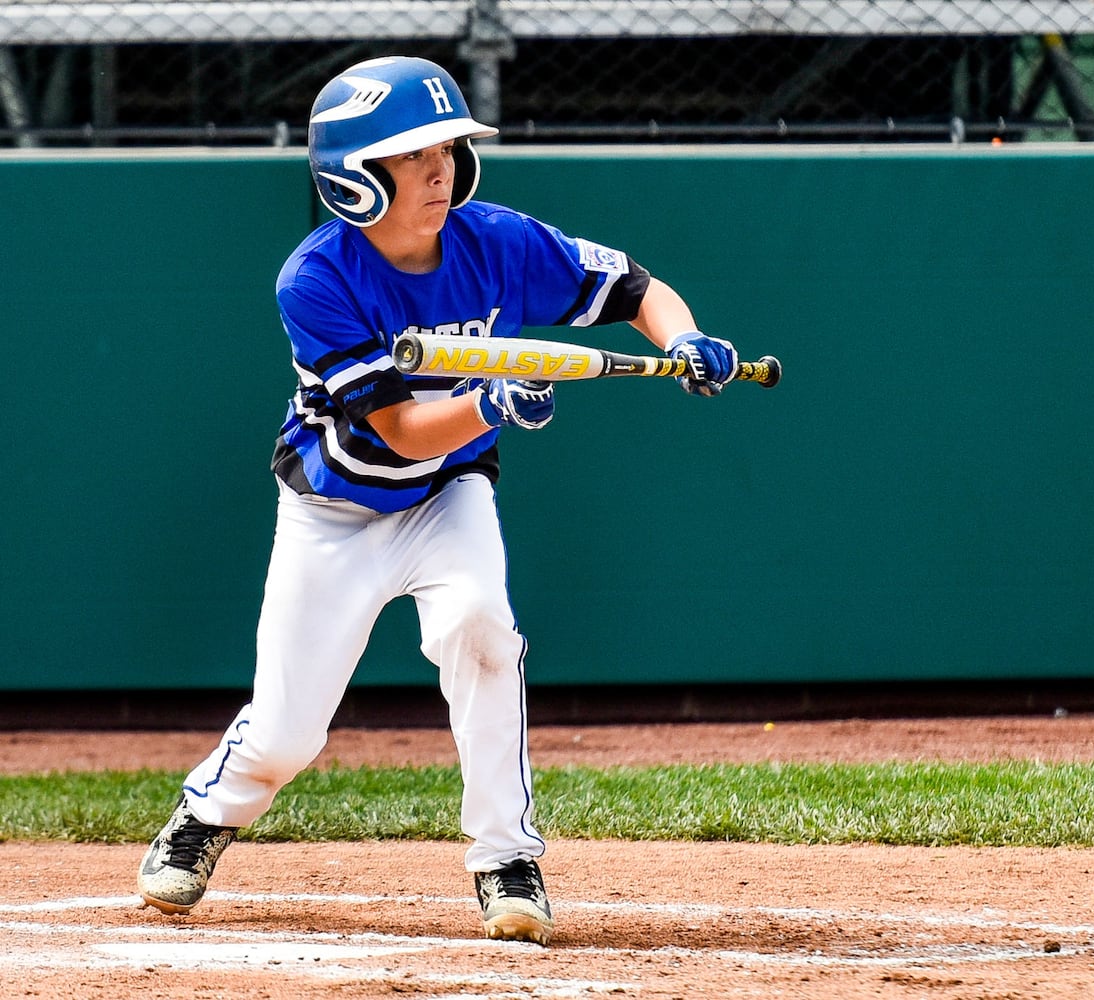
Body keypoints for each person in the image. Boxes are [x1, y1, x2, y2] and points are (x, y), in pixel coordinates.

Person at [135, 55, 740, 946]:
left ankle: (505, 856)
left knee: (483, 631)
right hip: (335, 510)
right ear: (352, 178)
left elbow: (636, 290)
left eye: (448, 148)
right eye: (411, 155)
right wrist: (489, 400)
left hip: (446, 497)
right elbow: (402, 427)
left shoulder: (496, 239)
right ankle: (206, 815)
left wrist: (684, 337)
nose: (440, 168)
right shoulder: (317, 280)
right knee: (288, 732)